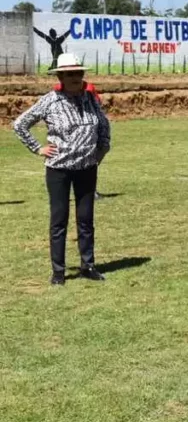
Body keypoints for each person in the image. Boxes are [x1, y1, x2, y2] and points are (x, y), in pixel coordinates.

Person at [12, 53, 110, 285]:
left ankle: (88, 265)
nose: (76, 77)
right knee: (59, 220)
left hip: (87, 167)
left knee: (86, 219)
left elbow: (103, 124)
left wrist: (102, 148)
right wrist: (38, 148)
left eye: (78, 73)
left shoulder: (90, 99)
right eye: (70, 74)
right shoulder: (50, 100)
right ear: (60, 76)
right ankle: (58, 271)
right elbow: (20, 124)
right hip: (59, 169)